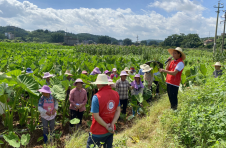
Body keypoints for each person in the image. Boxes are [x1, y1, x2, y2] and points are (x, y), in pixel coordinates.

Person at [86, 74, 120, 148]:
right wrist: (112, 123)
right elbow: (118, 111)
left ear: (98, 84)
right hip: (110, 130)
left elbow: (96, 116)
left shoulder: (96, 97)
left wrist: (105, 125)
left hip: (97, 131)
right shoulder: (116, 94)